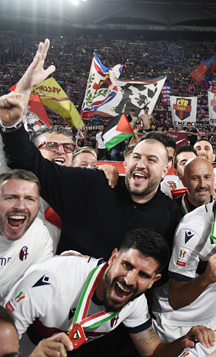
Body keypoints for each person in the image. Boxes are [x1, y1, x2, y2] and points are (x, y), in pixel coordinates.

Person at [0, 89, 182, 259]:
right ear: (126, 163)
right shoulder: (93, 183)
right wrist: (12, 126)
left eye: (151, 160)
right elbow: (32, 166)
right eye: (136, 157)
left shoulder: (170, 214)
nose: (141, 164)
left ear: (165, 169)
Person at [4, 229, 214, 356]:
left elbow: (152, 351)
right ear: (113, 258)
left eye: (143, 275)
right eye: (127, 265)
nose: (129, 280)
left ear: (153, 281)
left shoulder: (135, 302)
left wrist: (183, 341)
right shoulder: (52, 280)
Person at [151, 163, 216, 341]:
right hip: (174, 322)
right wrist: (207, 277)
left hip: (213, 321)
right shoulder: (193, 227)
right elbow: (175, 300)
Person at [0, 170, 53, 300]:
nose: (20, 206)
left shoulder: (39, 233)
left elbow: (34, 287)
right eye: (11, 198)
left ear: (38, 204)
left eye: (30, 199)